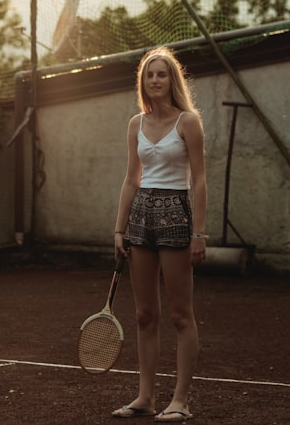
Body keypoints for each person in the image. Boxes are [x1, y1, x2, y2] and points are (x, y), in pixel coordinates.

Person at [110, 46, 208, 422]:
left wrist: (199, 233)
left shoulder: (188, 122)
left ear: (172, 80)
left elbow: (199, 179)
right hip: (140, 219)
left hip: (175, 216)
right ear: (143, 82)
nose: (155, 80)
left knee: (181, 315)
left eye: (161, 74)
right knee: (144, 314)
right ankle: (146, 399)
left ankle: (180, 401)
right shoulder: (135, 124)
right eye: (149, 74)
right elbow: (131, 178)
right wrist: (120, 229)